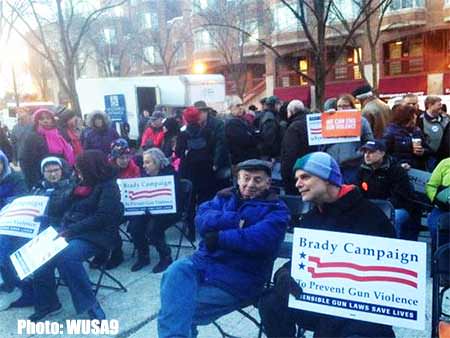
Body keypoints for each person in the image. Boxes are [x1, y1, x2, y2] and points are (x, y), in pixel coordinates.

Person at [259, 151, 395, 338]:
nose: (298, 184)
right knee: (271, 301)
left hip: (359, 308)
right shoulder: (310, 218)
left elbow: (388, 275)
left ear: (328, 179)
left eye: (305, 177)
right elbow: (300, 259)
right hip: (317, 299)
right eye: (297, 178)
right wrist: (283, 274)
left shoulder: (370, 216)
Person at [158, 159, 289, 338]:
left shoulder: (277, 210)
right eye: (246, 178)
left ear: (268, 183)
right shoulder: (224, 196)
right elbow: (201, 219)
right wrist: (235, 221)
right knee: (176, 270)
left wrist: (219, 237)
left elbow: (259, 238)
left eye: (257, 180)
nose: (250, 184)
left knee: (177, 308)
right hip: (204, 263)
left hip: (240, 277)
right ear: (238, 179)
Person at [30, 150, 124, 321]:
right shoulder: (79, 182)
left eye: (80, 168)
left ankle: (90, 304)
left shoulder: (108, 186)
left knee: (66, 256)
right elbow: (61, 209)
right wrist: (65, 197)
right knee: (40, 253)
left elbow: (102, 218)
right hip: (71, 228)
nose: (77, 171)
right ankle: (48, 303)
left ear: (91, 167)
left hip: (96, 235)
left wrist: (70, 231)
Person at [128, 148, 180, 273]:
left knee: (152, 228)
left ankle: (165, 256)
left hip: (169, 211)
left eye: (147, 162)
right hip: (149, 209)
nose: (144, 165)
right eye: (144, 162)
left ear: (157, 162)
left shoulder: (170, 175)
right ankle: (143, 255)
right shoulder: (145, 175)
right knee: (134, 226)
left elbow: (177, 198)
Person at [357, 140, 420, 240]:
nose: (367, 155)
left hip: (397, 208)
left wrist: (382, 208)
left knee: (394, 218)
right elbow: (359, 192)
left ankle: (393, 248)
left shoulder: (396, 170)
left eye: (371, 152)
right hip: (372, 207)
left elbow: (400, 197)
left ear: (382, 153)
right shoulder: (362, 169)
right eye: (365, 152)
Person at [321, 94, 374, 184]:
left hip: (353, 166)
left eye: (345, 106)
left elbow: (369, 141)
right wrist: (326, 118)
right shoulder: (330, 121)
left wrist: (358, 153)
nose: (342, 109)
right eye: (339, 106)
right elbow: (321, 143)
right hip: (333, 166)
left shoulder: (361, 121)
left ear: (352, 106)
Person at [20, 108, 75, 189]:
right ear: (37, 121)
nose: (45, 121)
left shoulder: (60, 133)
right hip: (41, 178)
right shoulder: (32, 137)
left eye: (48, 118)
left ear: (52, 120)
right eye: (41, 119)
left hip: (62, 176)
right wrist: (33, 181)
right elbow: (26, 161)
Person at [0, 150, 28, 302]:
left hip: (15, 221)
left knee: (3, 250)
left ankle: (20, 285)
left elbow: (22, 199)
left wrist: (5, 203)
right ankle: (8, 281)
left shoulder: (15, 178)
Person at [280, 99, 315, 194]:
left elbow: (289, 154)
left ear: (290, 112)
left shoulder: (293, 128)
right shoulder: (312, 122)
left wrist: (285, 176)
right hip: (313, 168)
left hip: (298, 171)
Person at [383, 104, 429, 170]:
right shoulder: (390, 133)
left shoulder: (417, 130)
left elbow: (428, 149)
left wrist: (423, 151)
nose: (416, 117)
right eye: (414, 115)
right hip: (399, 170)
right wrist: (398, 164)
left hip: (417, 170)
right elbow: (384, 154)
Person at [416, 96, 450, 170]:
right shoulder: (420, 120)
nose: (441, 106)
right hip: (430, 157)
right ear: (430, 105)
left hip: (445, 156)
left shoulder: (446, 118)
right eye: (439, 104)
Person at [426, 157, 450, 250]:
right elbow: (431, 186)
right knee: (435, 228)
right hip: (443, 208)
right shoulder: (445, 163)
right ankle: (438, 260)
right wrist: (436, 200)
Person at [224, 103, 259, 168]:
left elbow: (252, 133)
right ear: (231, 109)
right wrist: (254, 137)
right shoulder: (232, 123)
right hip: (241, 159)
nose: (240, 108)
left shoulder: (242, 119)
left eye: (241, 105)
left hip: (246, 158)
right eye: (237, 106)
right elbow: (245, 140)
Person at [256, 95, 282, 161]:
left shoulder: (271, 115)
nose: (279, 106)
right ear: (274, 105)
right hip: (270, 156)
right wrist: (272, 156)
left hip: (269, 155)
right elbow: (269, 139)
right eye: (278, 104)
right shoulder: (269, 118)